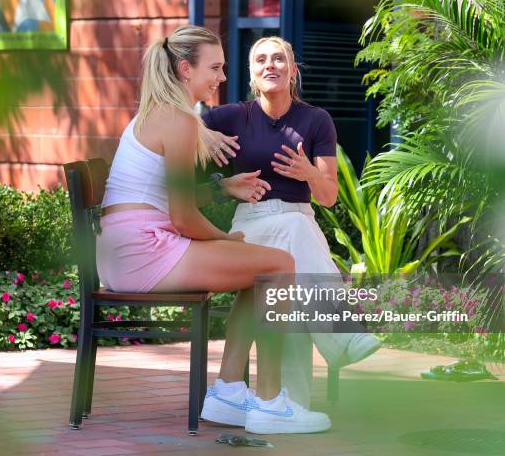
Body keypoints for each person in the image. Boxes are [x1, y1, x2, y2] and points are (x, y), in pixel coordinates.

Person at [96, 26, 331, 434]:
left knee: (257, 270)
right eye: (216, 67)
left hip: (128, 248)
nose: (222, 77)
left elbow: (167, 197)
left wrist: (222, 188)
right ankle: (272, 404)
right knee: (277, 266)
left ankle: (227, 392)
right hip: (142, 250)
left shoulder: (162, 114)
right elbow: (183, 216)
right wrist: (228, 240)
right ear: (186, 70)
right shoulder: (178, 120)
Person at [200, 36, 381, 411]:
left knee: (294, 268)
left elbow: (329, 196)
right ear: (251, 74)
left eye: (279, 59)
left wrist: (308, 172)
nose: (271, 65)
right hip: (251, 226)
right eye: (261, 60)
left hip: (299, 220)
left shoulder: (316, 120)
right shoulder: (230, 116)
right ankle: (342, 335)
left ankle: (289, 401)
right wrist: (221, 181)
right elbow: (172, 122)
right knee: (297, 245)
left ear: (293, 70)